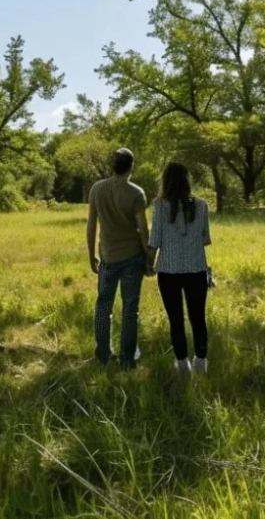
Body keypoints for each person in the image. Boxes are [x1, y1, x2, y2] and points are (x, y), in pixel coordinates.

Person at [86, 148, 153, 369]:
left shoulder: (97, 189)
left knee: (104, 306)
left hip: (107, 256)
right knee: (129, 308)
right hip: (132, 257)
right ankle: (127, 359)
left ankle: (103, 355)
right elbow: (143, 230)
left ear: (112, 166)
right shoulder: (136, 192)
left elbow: (92, 224)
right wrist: (149, 259)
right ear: (131, 166)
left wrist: (91, 254)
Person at [149, 161, 212, 375]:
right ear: (187, 180)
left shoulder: (159, 206)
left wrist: (148, 265)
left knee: (175, 318)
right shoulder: (202, 205)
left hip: (168, 271)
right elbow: (205, 238)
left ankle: (182, 363)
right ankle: (201, 361)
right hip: (196, 269)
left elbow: (154, 240)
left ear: (165, 181)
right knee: (198, 317)